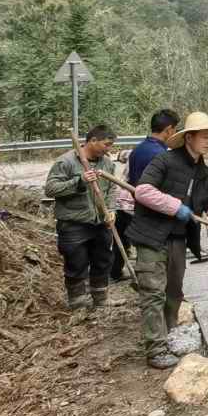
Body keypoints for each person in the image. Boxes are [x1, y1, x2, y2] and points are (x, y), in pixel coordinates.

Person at [129, 112, 208, 368]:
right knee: (153, 292)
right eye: (205, 137)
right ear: (189, 138)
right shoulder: (163, 161)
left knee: (173, 292)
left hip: (178, 239)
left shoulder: (206, 174)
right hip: (151, 235)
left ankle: (169, 334)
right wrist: (176, 207)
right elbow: (143, 191)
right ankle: (156, 349)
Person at [44, 125, 118, 310]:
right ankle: (77, 303)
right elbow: (51, 189)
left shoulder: (107, 163)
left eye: (111, 145)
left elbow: (111, 189)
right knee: (76, 263)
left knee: (102, 260)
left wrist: (111, 210)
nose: (109, 149)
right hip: (73, 223)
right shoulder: (66, 162)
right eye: (106, 144)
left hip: (100, 222)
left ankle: (101, 300)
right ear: (93, 141)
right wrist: (79, 182)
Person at [112, 109, 180, 281]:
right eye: (176, 130)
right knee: (152, 250)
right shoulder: (162, 155)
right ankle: (150, 282)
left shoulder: (138, 149)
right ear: (169, 130)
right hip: (149, 209)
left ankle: (119, 273)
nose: (175, 134)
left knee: (127, 243)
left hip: (133, 204)